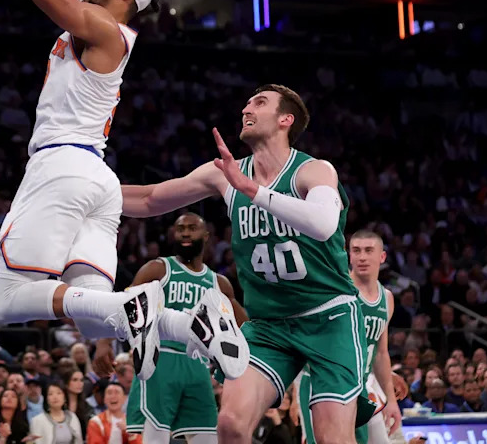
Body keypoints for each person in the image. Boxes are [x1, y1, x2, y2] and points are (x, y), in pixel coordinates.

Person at [0, 0, 168, 382]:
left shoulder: (105, 30)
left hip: (63, 168)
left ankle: (130, 306)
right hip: (98, 180)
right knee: (97, 322)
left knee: (9, 300)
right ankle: (192, 323)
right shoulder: (94, 24)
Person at [122, 85, 372, 444]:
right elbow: (149, 199)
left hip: (328, 318)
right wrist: (86, 195)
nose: (245, 108)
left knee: (332, 438)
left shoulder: (313, 171)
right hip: (270, 325)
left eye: (260, 102)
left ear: (285, 120)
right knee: (232, 426)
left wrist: (254, 191)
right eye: (247, 102)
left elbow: (323, 223)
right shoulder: (226, 172)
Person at [122, 212, 247, 444]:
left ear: (206, 235)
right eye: (180, 229)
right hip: (161, 358)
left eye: (192, 228)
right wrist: (103, 343)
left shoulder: (218, 283)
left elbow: (244, 327)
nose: (186, 233)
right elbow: (123, 304)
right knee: (155, 436)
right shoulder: (158, 269)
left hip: (198, 365)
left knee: (207, 437)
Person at [299, 230, 402, 444]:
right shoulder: (336, 290)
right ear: (349, 256)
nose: (362, 256)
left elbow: (380, 354)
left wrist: (391, 400)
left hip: (360, 387)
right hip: (323, 384)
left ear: (382, 257)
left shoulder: (387, 299)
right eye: (356, 250)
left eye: (368, 250)